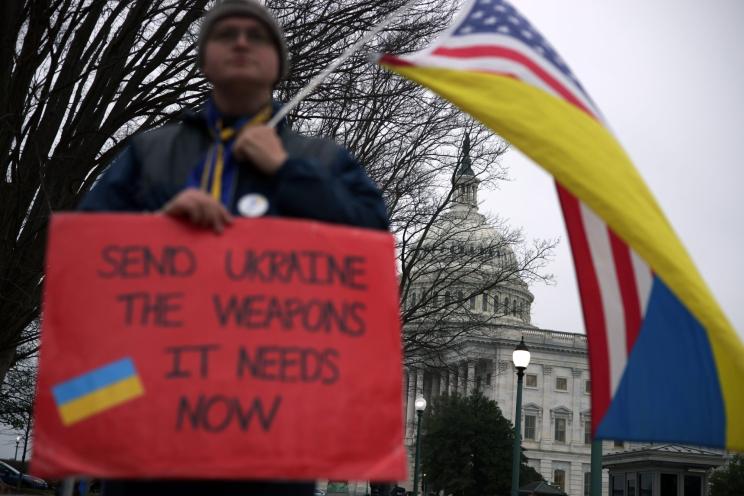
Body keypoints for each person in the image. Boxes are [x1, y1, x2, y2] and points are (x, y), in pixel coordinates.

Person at [79, 0, 389, 494]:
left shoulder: (323, 158)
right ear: (204, 59)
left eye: (257, 35)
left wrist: (288, 171)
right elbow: (83, 254)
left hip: (272, 428)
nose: (242, 41)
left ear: (280, 64)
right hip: (152, 420)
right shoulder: (150, 151)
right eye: (226, 33)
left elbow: (371, 245)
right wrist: (156, 229)